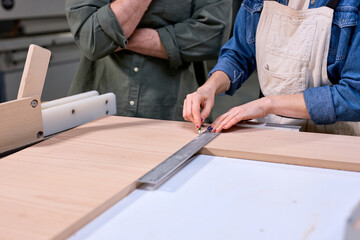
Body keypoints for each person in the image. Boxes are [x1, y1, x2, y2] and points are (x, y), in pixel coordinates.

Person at [183, 0, 360, 136]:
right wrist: (210, 87)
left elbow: (354, 96)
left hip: (334, 139)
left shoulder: (352, 5)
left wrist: (268, 104)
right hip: (272, 133)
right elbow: (239, 54)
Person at [65, 0, 232, 121]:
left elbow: (212, 36)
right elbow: (92, 38)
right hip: (95, 114)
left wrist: (117, 36)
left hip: (174, 114)